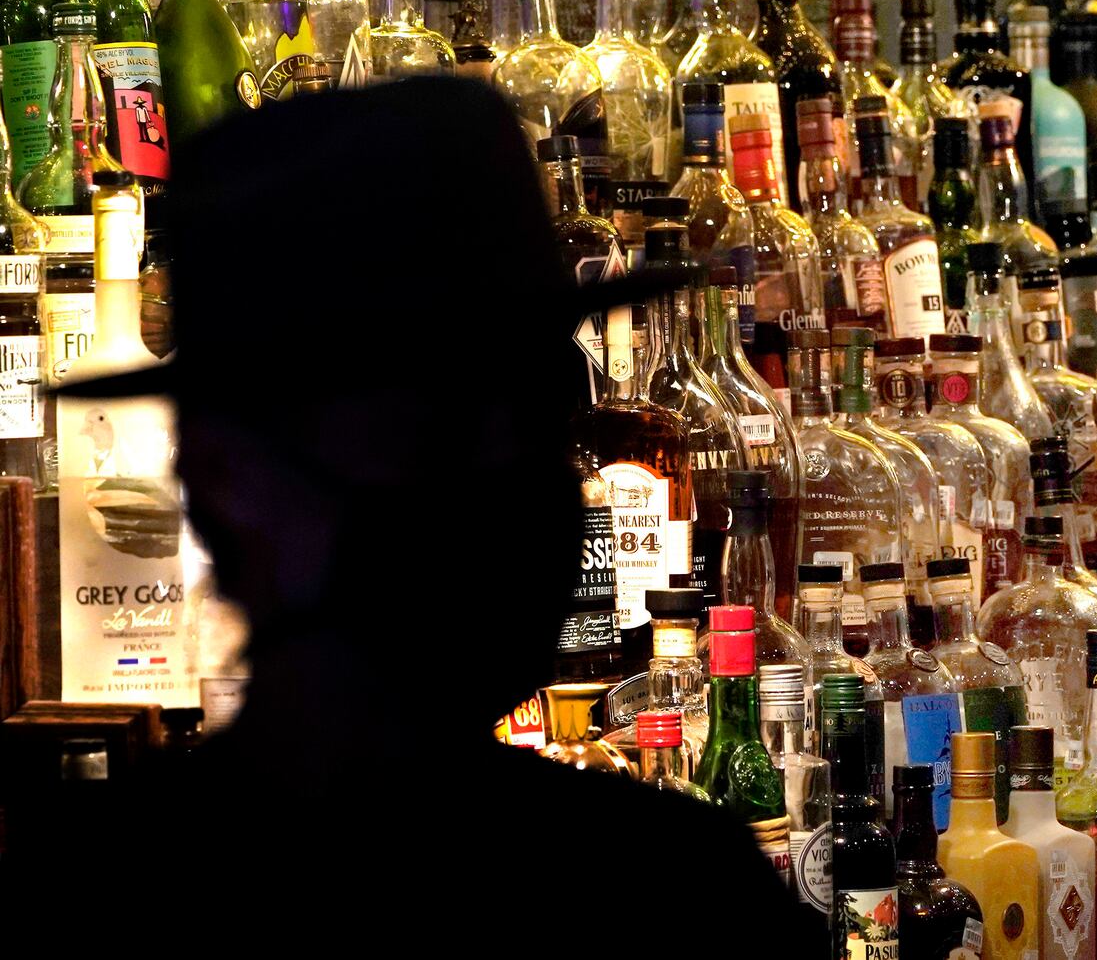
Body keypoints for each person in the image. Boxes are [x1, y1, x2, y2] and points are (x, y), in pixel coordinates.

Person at [6, 78, 814, 949]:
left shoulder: (682, 896)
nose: (510, 487)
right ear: (227, 479)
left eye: (535, 423)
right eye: (437, 429)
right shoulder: (93, 911)